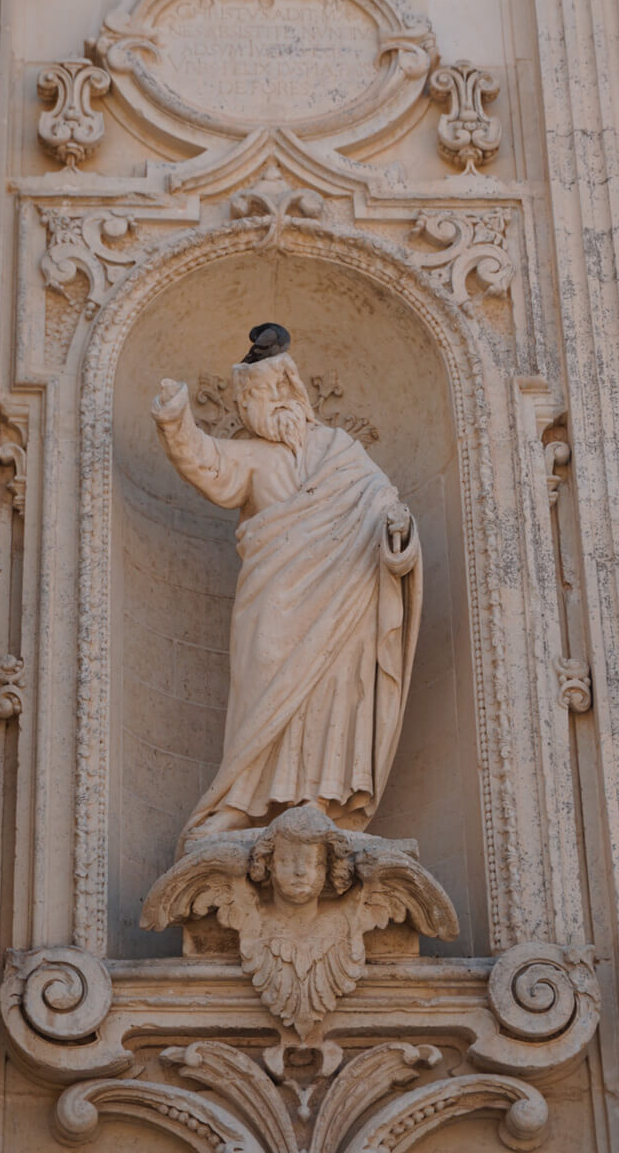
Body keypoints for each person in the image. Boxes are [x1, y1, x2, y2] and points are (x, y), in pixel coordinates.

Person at [152, 323, 422, 846]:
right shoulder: (251, 455)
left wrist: (399, 535)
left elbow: (385, 510)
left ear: (293, 393)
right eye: (250, 400)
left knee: (332, 695)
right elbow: (208, 465)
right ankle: (238, 803)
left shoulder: (343, 452)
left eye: (268, 394)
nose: (260, 409)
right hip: (273, 599)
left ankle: (317, 801)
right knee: (263, 690)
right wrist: (176, 418)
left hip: (343, 600)